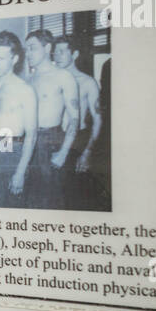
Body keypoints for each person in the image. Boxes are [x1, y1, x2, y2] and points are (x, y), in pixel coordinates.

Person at [24, 29, 78, 209]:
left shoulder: (63, 76)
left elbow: (74, 118)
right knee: (31, 199)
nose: (28, 53)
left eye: (32, 48)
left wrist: (63, 152)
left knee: (52, 201)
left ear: (47, 48)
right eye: (26, 49)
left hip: (51, 141)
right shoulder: (29, 79)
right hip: (28, 141)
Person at [52, 37, 103, 208]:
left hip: (77, 144)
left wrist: (87, 152)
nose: (57, 56)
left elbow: (97, 120)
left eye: (62, 51)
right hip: (53, 139)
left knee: (73, 197)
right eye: (55, 51)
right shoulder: (51, 80)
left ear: (74, 54)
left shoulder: (87, 82)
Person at [0, 31, 37, 207]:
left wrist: (20, 172)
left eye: (1, 58)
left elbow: (32, 135)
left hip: (10, 149)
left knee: (10, 206)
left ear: (15, 59)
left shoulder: (24, 90)